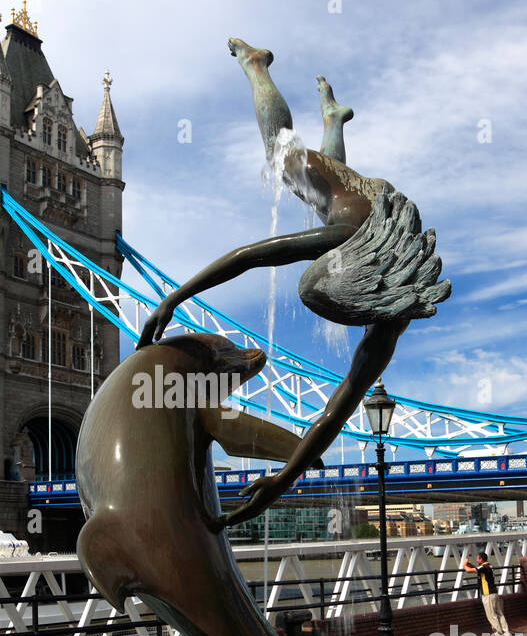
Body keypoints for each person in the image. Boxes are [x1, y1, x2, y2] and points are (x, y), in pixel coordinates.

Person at [138, 39, 450, 528]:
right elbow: (251, 257)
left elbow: (337, 408)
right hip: (368, 214)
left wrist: (284, 479)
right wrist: (174, 299)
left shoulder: (391, 313)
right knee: (284, 155)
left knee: (319, 187)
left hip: (372, 212)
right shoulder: (347, 236)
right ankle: (255, 64)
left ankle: (333, 120)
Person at [462, 552, 510, 636]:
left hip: (488, 594)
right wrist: (471, 564)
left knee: (491, 615)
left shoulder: (483, 567)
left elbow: (468, 571)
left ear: (481, 559)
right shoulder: (489, 566)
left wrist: (465, 564)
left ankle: (498, 633)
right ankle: (506, 632)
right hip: (494, 593)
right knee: (499, 613)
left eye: (477, 558)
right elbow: (478, 568)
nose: (477, 560)